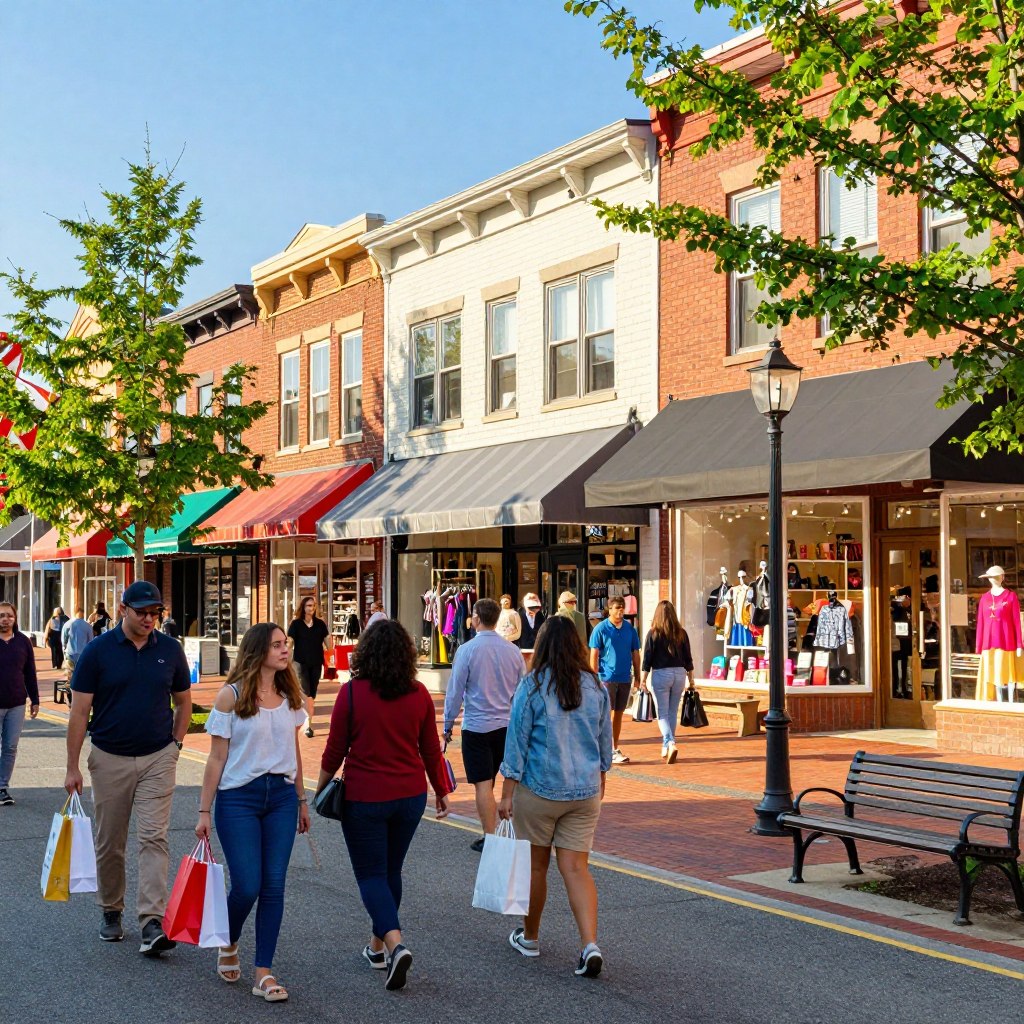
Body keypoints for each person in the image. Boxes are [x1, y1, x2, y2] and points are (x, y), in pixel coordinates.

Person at [316, 620, 451, 992]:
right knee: (391, 870)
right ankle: (377, 948)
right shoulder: (420, 693)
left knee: (371, 875)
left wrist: (319, 787)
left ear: (366, 653)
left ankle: (394, 944)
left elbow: (335, 749)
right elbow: (430, 749)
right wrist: (441, 789)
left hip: (365, 798)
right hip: (410, 797)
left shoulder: (353, 694)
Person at [65, 580, 192, 954]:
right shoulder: (97, 651)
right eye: (143, 612)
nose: (150, 619)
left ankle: (152, 921)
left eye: (156, 612)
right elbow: (78, 712)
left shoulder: (170, 650)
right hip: (109, 757)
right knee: (110, 842)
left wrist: (176, 745)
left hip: (158, 757)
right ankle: (110, 909)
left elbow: (183, 702)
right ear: (123, 610)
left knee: (154, 838)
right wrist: (72, 767)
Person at [195, 623, 310, 1003]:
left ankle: (264, 972)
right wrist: (204, 810)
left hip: (280, 798)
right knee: (248, 884)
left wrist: (301, 799)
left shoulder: (292, 694)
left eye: (286, 645)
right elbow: (216, 757)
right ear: (258, 650)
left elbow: (294, 751)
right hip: (237, 799)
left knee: (274, 884)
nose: (284, 651)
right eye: (277, 645)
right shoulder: (231, 696)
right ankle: (228, 939)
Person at [498, 615, 611, 978]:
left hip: (539, 790)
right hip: (585, 791)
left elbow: (516, 744)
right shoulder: (595, 686)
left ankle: (529, 937)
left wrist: (506, 793)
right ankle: (589, 944)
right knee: (577, 868)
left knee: (536, 867)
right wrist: (602, 775)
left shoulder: (531, 686)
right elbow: (604, 741)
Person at [443, 598, 525, 851]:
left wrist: (447, 724)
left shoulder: (467, 650)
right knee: (500, 779)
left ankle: (490, 836)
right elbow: (522, 691)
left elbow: (455, 691)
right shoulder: (513, 651)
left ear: (477, 618)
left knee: (482, 783)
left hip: (477, 725)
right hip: (506, 725)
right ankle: (506, 830)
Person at [588, 596, 641, 765]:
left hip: (624, 677)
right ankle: (607, 749)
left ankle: (613, 747)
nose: (620, 611)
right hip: (606, 678)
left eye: (622, 608)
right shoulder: (601, 629)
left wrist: (638, 676)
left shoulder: (630, 629)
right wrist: (593, 676)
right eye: (617, 607)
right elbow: (594, 654)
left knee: (618, 714)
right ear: (609, 609)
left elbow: (635, 653)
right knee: (607, 714)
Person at [640, 600, 693, 764]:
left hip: (661, 674)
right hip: (679, 673)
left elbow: (647, 659)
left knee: (662, 713)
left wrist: (643, 680)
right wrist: (691, 680)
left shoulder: (654, 633)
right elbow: (688, 658)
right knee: (672, 711)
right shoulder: (681, 633)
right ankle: (667, 745)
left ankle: (670, 742)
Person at [0, 602, 39, 806]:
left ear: (15, 619)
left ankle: (2, 787)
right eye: (2, 616)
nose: (5, 619)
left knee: (10, 747)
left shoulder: (23, 642)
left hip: (16, 703)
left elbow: (30, 673)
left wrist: (35, 699)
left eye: (9, 616)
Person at [286, 597, 331, 738]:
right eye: (308, 605)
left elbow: (329, 645)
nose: (311, 608)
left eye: (313, 605)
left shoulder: (320, 624)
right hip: (300, 663)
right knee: (306, 692)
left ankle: (305, 719)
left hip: (316, 663)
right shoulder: (296, 624)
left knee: (312, 693)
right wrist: (285, 657)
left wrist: (330, 642)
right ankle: (308, 725)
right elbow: (290, 642)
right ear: (303, 607)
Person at [62, 607, 94, 686]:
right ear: (83, 614)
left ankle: (70, 690)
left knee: (70, 673)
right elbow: (91, 641)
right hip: (83, 653)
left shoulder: (67, 624)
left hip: (70, 652)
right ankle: (80, 688)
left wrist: (64, 647)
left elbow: (63, 640)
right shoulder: (87, 626)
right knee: (81, 673)